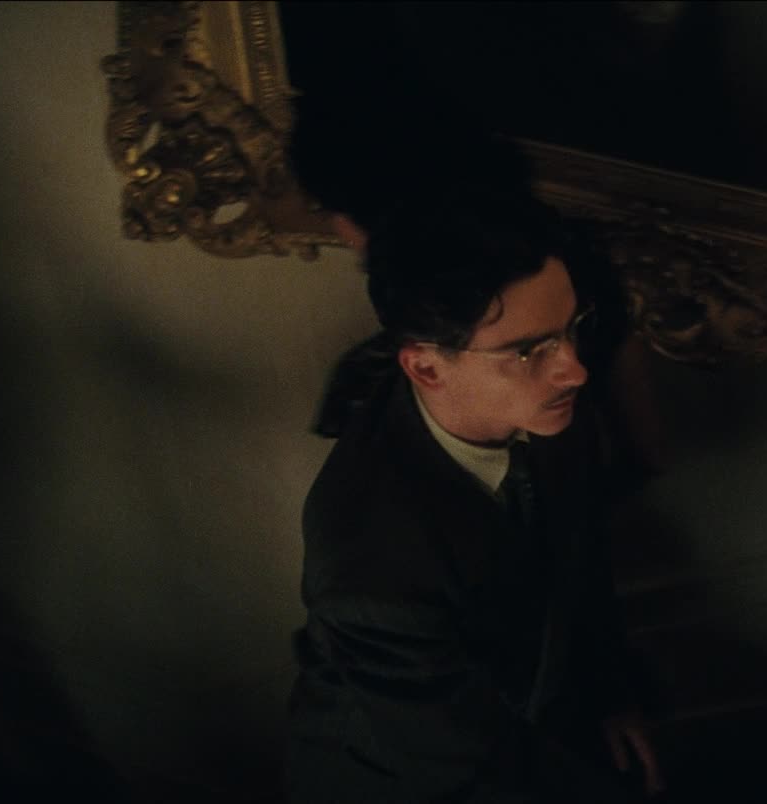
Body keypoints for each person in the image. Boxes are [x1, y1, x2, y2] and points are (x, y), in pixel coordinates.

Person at [284, 189, 664, 801]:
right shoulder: (372, 563)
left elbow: (578, 557)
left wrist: (610, 694)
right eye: (528, 350)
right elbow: (468, 772)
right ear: (427, 368)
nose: (575, 369)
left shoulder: (546, 402)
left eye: (573, 328)